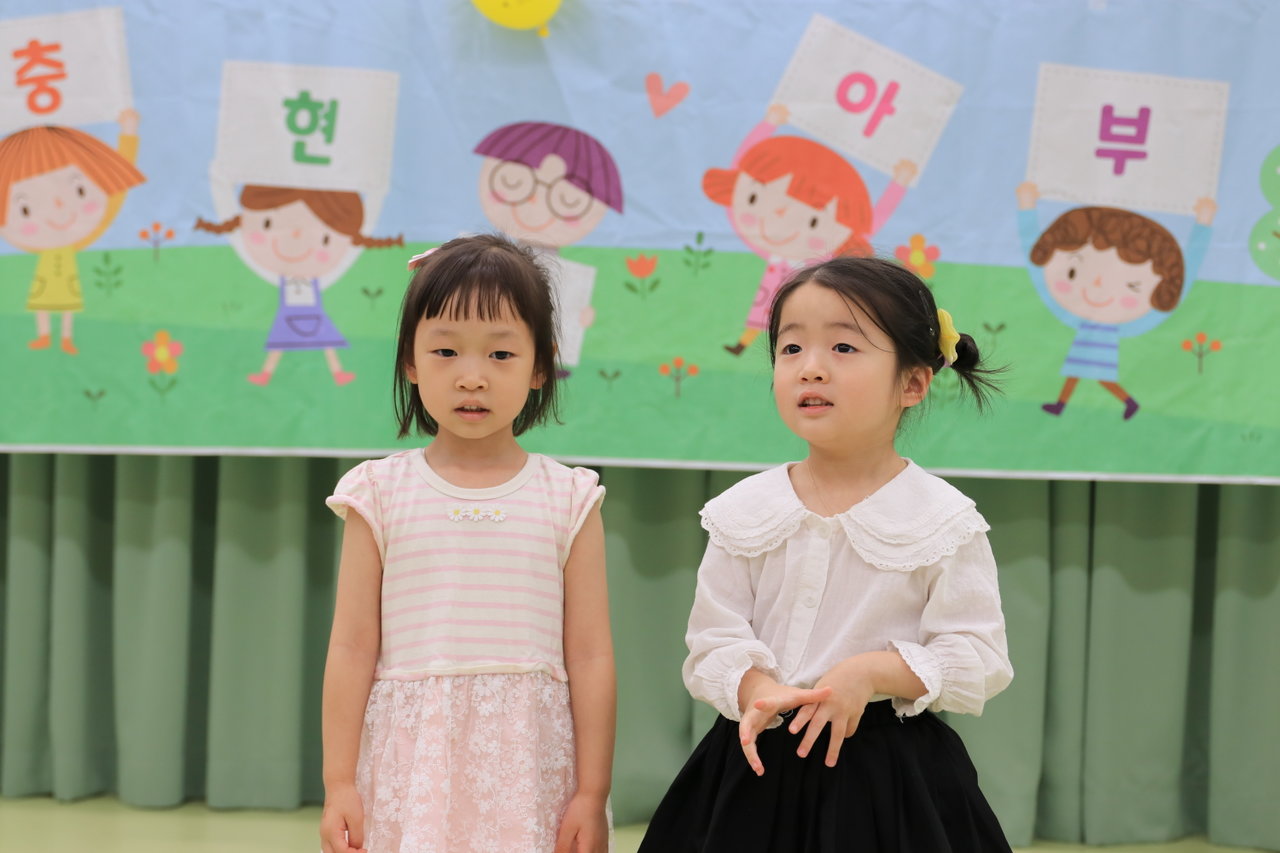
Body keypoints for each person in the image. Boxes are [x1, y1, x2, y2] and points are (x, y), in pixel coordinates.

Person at [639, 256, 1014, 852]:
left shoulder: (943, 519)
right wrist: (755, 688)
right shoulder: (745, 508)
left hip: (888, 782)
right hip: (754, 766)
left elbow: (977, 655)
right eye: (791, 349)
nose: (810, 368)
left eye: (843, 347)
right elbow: (713, 641)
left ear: (913, 384)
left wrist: (869, 673)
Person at [319, 234, 615, 853]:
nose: (472, 377)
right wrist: (339, 782)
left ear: (540, 366)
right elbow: (350, 647)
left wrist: (592, 793)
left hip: (529, 774)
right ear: (410, 361)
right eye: (446, 351)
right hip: (410, 770)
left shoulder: (570, 497)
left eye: (501, 353)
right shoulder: (377, 492)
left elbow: (590, 657)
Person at [703, 103, 916, 356]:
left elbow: (874, 220)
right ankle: (745, 344)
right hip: (772, 286)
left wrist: (899, 184)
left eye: (814, 221)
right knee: (761, 315)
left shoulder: (821, 273)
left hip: (809, 300)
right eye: (755, 198)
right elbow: (741, 166)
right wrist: (768, 124)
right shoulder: (778, 260)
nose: (780, 220)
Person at [1017, 181, 1216, 419]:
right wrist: (1027, 206)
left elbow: (1185, 273)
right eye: (1072, 272)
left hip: (1101, 348)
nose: (1096, 287)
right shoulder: (1072, 309)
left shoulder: (1131, 320)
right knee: (1076, 374)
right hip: (1084, 345)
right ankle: (1065, 404)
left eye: (1132, 286)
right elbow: (1036, 262)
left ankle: (1125, 402)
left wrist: (1203, 224)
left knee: (1095, 377)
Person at [194, 185, 402, 386]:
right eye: (267, 223)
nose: (296, 236)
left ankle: (338, 372)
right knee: (279, 345)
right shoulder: (282, 277)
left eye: (325, 239)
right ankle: (266, 373)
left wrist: (377, 193)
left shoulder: (317, 278)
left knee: (327, 344)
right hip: (288, 314)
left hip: (314, 314)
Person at [474, 120, 625, 377]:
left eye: (568, 199)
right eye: (514, 181)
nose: (535, 200)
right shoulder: (490, 260)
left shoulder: (567, 278)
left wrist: (580, 315)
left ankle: (539, 359)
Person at [0, 111, 145, 354]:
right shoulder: (30, 241)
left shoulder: (89, 229)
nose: (58, 209)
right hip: (44, 283)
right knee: (41, 305)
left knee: (69, 308)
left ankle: (66, 338)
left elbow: (118, 188)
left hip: (68, 283)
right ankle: (44, 335)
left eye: (80, 191)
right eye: (25, 209)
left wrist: (129, 132)